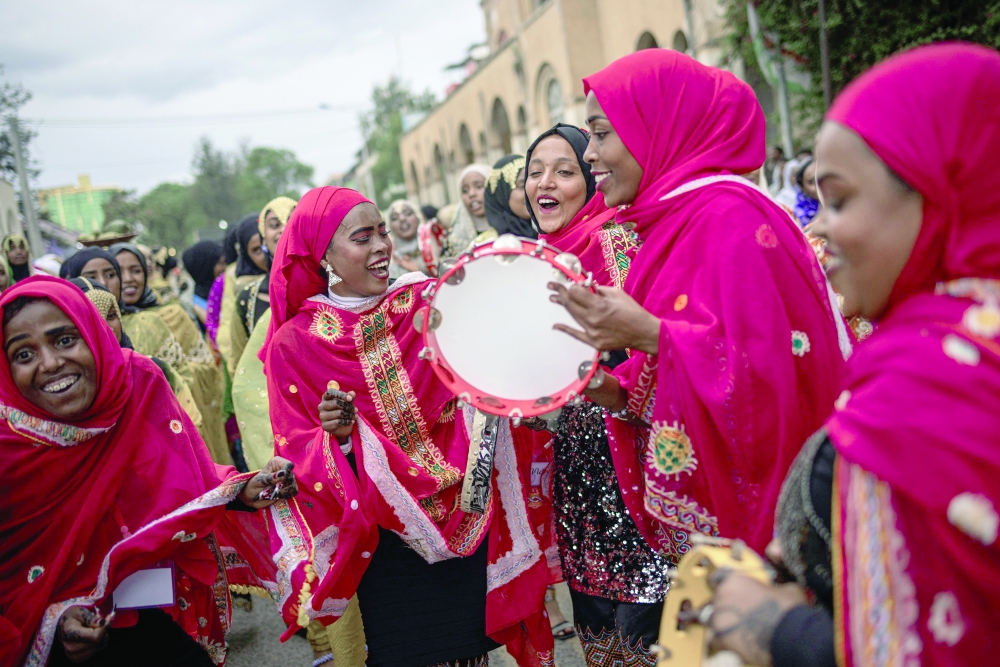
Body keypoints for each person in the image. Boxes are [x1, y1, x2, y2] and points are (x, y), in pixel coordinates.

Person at [704, 42, 1000, 667]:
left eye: (838, 201)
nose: (822, 229)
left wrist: (771, 629)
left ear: (936, 190)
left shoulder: (926, 383)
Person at [549, 50, 847, 569]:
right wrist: (611, 390)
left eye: (601, 133)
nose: (590, 154)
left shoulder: (727, 217)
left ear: (656, 128)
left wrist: (651, 335)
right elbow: (682, 370)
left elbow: (772, 370)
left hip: (771, 528)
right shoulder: (673, 221)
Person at [259, 185, 553, 667]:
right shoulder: (296, 343)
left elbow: (480, 379)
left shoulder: (425, 302)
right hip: (383, 540)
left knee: (469, 655)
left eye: (382, 233)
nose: (381, 246)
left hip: (465, 512)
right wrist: (334, 437)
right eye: (362, 238)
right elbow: (294, 450)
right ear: (325, 255)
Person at [0, 276, 296, 667]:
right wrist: (55, 624)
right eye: (24, 355)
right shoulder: (9, 443)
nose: (51, 363)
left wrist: (242, 489)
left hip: (158, 619)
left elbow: (190, 476)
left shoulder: (137, 384)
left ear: (93, 334)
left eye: (65, 340)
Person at [524, 123, 671, 662]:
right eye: (535, 171)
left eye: (565, 171)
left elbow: (652, 347)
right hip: (573, 467)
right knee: (595, 621)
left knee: (648, 620)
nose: (547, 183)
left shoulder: (618, 237)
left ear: (590, 180)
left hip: (632, 456)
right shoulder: (524, 266)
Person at [94, 243, 230, 465]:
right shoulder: (100, 330)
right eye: (119, 272)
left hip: (182, 427)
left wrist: (163, 380)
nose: (128, 279)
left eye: (136, 270)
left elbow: (207, 369)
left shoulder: (172, 314)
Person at [70, 275, 202, 429]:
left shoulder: (150, 371)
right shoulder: (68, 390)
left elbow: (190, 426)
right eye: (93, 319)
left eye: (111, 316)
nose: (107, 327)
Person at [441, 164, 493, 260]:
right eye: (465, 191)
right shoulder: (454, 240)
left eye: (479, 186)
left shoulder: (514, 226)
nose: (471, 194)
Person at [484, 155, 536, 239]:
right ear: (502, 196)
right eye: (522, 186)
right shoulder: (490, 244)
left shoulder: (550, 231)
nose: (531, 192)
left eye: (534, 183)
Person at [182, 240, 227, 331]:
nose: (225, 267)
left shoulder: (229, 287)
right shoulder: (190, 303)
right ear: (206, 268)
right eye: (220, 263)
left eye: (225, 262)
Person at [386, 199, 429, 278]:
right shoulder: (390, 261)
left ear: (418, 217)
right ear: (390, 227)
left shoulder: (435, 245)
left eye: (408, 213)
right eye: (395, 218)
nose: (402, 219)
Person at [794, 156, 821, 227]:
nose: (820, 186)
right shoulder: (797, 220)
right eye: (812, 182)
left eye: (823, 178)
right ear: (802, 187)